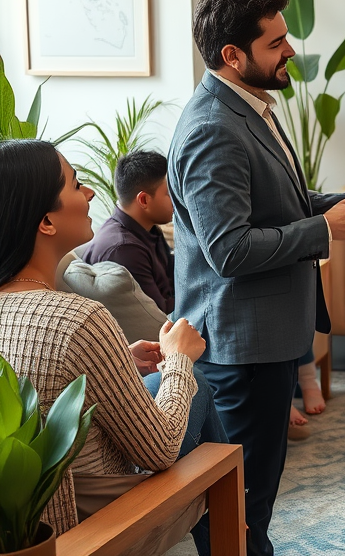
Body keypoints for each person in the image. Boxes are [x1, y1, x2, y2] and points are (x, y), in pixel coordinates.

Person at [168, 0, 345, 556]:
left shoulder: (251, 106)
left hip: (265, 340)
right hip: (240, 349)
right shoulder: (212, 128)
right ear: (232, 56)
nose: (290, 50)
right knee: (242, 502)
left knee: (252, 498)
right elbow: (229, 250)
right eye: (276, 41)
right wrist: (324, 231)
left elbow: (281, 200)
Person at [0, 140, 217, 548]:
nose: (91, 193)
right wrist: (178, 361)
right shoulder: (78, 318)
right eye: (76, 184)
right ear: (46, 221)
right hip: (98, 515)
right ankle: (233, 521)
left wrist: (120, 362)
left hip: (30, 519)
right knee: (198, 385)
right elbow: (160, 449)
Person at [81, 149, 176, 313]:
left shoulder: (149, 228)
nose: (177, 199)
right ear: (144, 200)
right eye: (170, 193)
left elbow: (173, 278)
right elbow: (157, 314)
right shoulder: (124, 250)